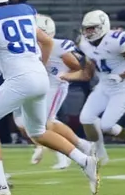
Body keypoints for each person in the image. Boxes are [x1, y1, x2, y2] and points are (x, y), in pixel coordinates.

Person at [0, 0, 99, 195]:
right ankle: (84, 160)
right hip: (40, 76)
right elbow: (47, 41)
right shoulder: (25, 10)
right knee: (37, 131)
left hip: (20, 77)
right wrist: (41, 64)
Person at [63, 10, 125, 166]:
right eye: (86, 28)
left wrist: (122, 75)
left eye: (92, 28)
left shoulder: (116, 40)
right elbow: (89, 69)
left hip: (123, 88)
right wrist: (69, 75)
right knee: (86, 118)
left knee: (106, 125)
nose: (88, 32)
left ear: (103, 25)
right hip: (103, 85)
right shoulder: (84, 42)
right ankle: (101, 154)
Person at [18, 15, 87, 170]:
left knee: (45, 122)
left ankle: (64, 154)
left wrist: (67, 76)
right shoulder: (29, 46)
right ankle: (83, 145)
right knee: (41, 122)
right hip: (39, 85)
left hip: (55, 85)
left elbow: (78, 69)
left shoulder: (58, 46)